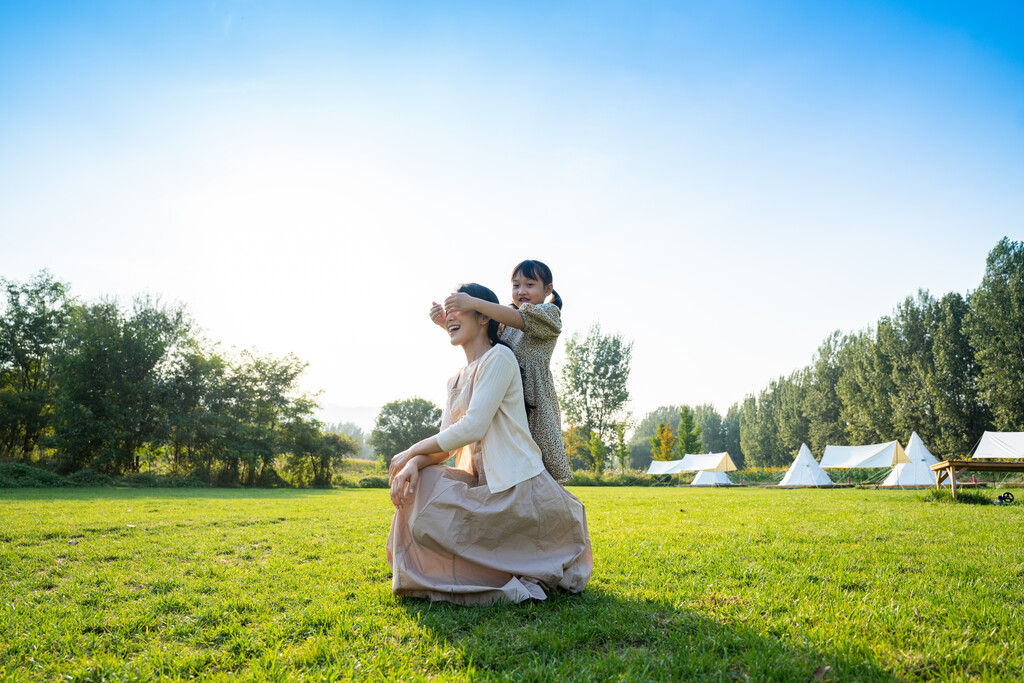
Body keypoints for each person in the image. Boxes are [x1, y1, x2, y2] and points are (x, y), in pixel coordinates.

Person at [388, 283, 592, 604]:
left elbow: (472, 427)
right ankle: (435, 566)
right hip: (484, 486)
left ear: (483, 318)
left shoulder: (500, 358)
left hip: (517, 491)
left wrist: (411, 451)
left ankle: (504, 562)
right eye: (447, 312)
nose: (449, 317)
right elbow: (447, 446)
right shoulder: (456, 378)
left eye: (458, 309)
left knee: (426, 483)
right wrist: (412, 465)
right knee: (422, 480)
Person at [429, 260, 573, 483]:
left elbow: (520, 319)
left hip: (534, 399)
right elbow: (480, 339)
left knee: (539, 461)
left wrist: (472, 302)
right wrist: (447, 322)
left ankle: (549, 503)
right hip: (507, 396)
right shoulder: (504, 320)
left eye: (529, 284)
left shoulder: (548, 313)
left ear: (548, 290)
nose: (521, 291)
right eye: (516, 286)